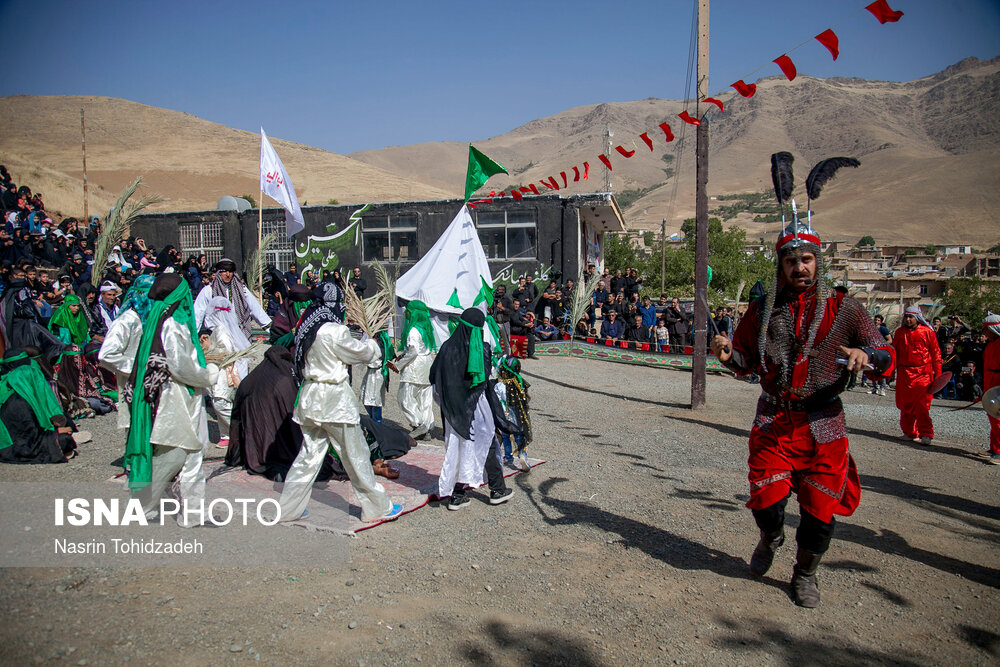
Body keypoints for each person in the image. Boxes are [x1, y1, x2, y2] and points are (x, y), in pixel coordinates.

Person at [710, 214, 894, 608]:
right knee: (767, 502)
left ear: (817, 261)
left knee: (819, 512)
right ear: (781, 265)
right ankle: (770, 537)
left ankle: (805, 573)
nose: (800, 267)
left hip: (824, 422)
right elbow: (745, 359)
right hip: (775, 419)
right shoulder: (762, 310)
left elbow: (884, 352)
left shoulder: (845, 308)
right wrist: (727, 353)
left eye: (807, 259)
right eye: (792, 261)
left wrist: (868, 354)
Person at [278, 282, 401, 523]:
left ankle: (288, 508)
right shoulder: (334, 330)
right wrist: (374, 345)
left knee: (309, 456)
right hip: (334, 402)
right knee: (355, 455)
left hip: (310, 399)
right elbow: (360, 353)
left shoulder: (306, 327)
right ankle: (376, 507)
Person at [124, 273, 220, 525]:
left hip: (184, 399)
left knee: (192, 459)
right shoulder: (172, 326)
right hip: (175, 401)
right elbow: (180, 367)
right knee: (173, 458)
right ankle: (143, 506)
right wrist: (208, 374)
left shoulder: (166, 322)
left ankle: (192, 514)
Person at [428, 308, 514, 509]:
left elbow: (434, 377)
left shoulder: (447, 347)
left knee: (458, 447)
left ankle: (457, 495)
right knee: (487, 443)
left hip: (453, 410)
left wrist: (447, 401)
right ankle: (497, 490)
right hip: (476, 406)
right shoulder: (481, 349)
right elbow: (484, 378)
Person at [0, 349, 78, 464]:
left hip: (25, 438)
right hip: (14, 447)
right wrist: (57, 433)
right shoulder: (18, 404)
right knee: (64, 440)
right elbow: (28, 439)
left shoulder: (20, 395)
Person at [97, 274, 154, 428]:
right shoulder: (126, 320)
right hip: (133, 382)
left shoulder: (147, 320)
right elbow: (107, 354)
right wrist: (138, 367)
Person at [201, 295, 252, 448]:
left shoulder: (222, 330)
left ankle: (237, 430)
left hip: (224, 370)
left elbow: (226, 351)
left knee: (221, 401)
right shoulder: (217, 329)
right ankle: (226, 434)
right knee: (219, 401)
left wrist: (209, 347)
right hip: (219, 368)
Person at [892, 306, 942, 445]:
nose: (908, 320)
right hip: (904, 373)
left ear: (917, 318)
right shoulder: (899, 333)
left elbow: (936, 354)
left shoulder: (927, 332)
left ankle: (926, 433)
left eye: (911, 317)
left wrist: (938, 375)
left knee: (922, 406)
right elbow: (895, 353)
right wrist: (890, 371)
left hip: (923, 374)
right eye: (906, 317)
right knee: (905, 405)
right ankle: (909, 432)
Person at [194, 258, 271, 337]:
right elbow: (197, 314)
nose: (228, 274)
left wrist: (273, 331)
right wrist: (192, 337)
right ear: (218, 272)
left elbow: (256, 310)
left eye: (230, 271)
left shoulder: (242, 290)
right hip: (216, 336)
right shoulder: (208, 291)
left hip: (239, 334)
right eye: (224, 271)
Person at [393, 300, 436, 438]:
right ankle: (426, 428)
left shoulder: (413, 330)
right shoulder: (427, 329)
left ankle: (418, 424)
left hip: (414, 368)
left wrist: (397, 366)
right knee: (424, 400)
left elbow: (413, 352)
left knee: (405, 397)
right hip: (426, 366)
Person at [974, 313, 1000, 464]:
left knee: (998, 417)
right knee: (992, 415)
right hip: (990, 381)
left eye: (986, 330)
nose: (984, 333)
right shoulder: (991, 344)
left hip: (998, 382)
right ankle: (994, 447)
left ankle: (999, 451)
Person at [359, 330, 392, 423]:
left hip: (377, 374)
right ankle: (373, 422)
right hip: (370, 374)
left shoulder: (380, 339)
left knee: (375, 401)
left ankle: (377, 426)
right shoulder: (372, 338)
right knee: (366, 399)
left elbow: (379, 358)